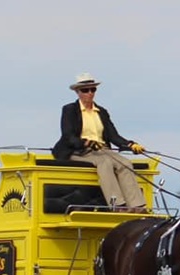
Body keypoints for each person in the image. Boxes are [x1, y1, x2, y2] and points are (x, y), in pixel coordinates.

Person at [52, 73, 148, 213]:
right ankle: (117, 205)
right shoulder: (69, 110)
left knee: (125, 163)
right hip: (79, 151)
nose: (90, 93)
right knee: (105, 163)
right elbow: (68, 136)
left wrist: (130, 145)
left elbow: (113, 136)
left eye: (93, 89)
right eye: (85, 90)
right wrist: (87, 143)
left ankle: (137, 206)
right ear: (77, 92)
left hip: (102, 150)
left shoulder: (101, 112)